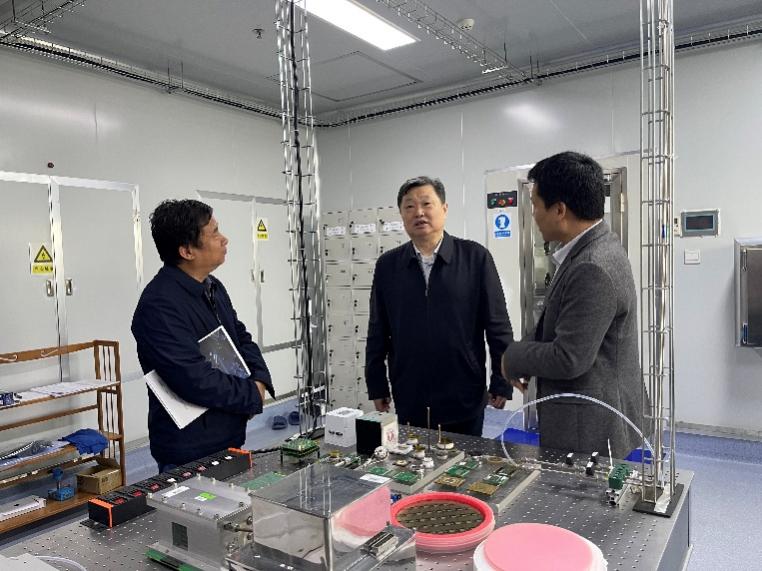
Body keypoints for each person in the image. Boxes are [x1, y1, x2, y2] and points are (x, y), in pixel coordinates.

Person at [501, 151, 644, 458]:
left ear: (559, 210)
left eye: (535, 205)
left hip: (591, 428)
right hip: (591, 417)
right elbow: (555, 325)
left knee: (583, 491)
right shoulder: (591, 249)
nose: (533, 215)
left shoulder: (592, 265)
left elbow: (569, 357)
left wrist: (513, 357)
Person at [365, 176, 513, 436]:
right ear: (402, 214)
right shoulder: (388, 266)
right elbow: (378, 330)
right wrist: (376, 384)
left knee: (464, 460)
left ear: (444, 209)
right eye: (409, 206)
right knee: (413, 458)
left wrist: (502, 381)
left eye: (426, 203)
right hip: (409, 394)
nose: (419, 212)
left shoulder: (475, 258)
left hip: (464, 393)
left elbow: (497, 325)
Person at [132, 199, 273, 471]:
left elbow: (240, 338)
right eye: (214, 232)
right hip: (190, 450)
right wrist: (250, 395)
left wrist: (260, 379)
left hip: (228, 433)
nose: (224, 239)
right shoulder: (159, 305)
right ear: (187, 251)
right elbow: (194, 379)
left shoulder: (212, 286)